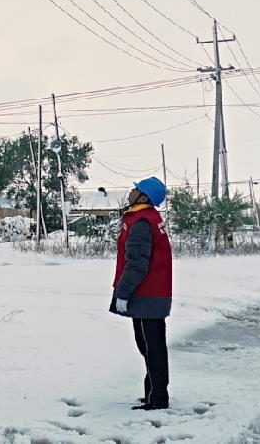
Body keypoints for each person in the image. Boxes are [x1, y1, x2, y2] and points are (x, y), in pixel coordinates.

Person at [109, 176, 172, 411]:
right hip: (150, 293)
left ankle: (158, 399)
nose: (131, 192)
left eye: (136, 189)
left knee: (151, 347)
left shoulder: (142, 222)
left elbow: (137, 263)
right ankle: (153, 393)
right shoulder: (144, 218)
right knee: (148, 346)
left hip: (148, 295)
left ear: (144, 197)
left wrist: (123, 294)